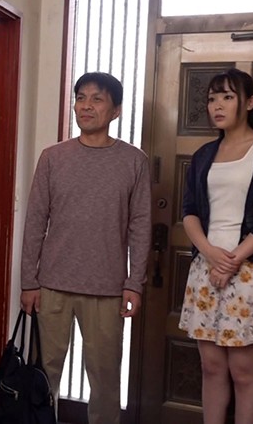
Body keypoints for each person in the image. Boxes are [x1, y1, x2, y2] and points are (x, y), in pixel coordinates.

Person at [20, 72, 151, 424]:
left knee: (105, 379)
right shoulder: (53, 157)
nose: (86, 106)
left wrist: (134, 283)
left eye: (97, 99)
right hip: (52, 285)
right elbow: (35, 221)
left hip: (107, 288)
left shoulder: (134, 161)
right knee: (43, 374)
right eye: (81, 98)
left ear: (116, 110)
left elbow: (140, 226)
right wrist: (29, 281)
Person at [179, 68, 253, 424]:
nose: (217, 105)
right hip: (206, 269)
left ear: (249, 102)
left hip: (251, 272)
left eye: (227, 97)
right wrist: (209, 252)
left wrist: (232, 260)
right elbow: (189, 211)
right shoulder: (204, 154)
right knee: (211, 368)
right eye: (212, 98)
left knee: (245, 373)